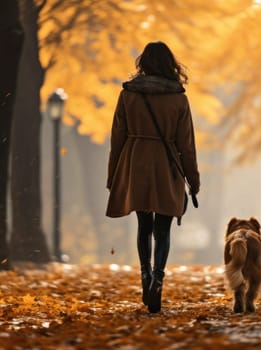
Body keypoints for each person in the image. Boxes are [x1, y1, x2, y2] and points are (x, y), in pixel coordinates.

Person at [105, 41, 200, 313]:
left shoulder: (128, 95)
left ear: (143, 63)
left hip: (135, 163)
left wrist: (114, 176)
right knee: (163, 228)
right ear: (170, 64)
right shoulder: (179, 99)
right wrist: (193, 180)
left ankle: (145, 274)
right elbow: (186, 145)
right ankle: (159, 277)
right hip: (166, 164)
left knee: (143, 225)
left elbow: (117, 139)